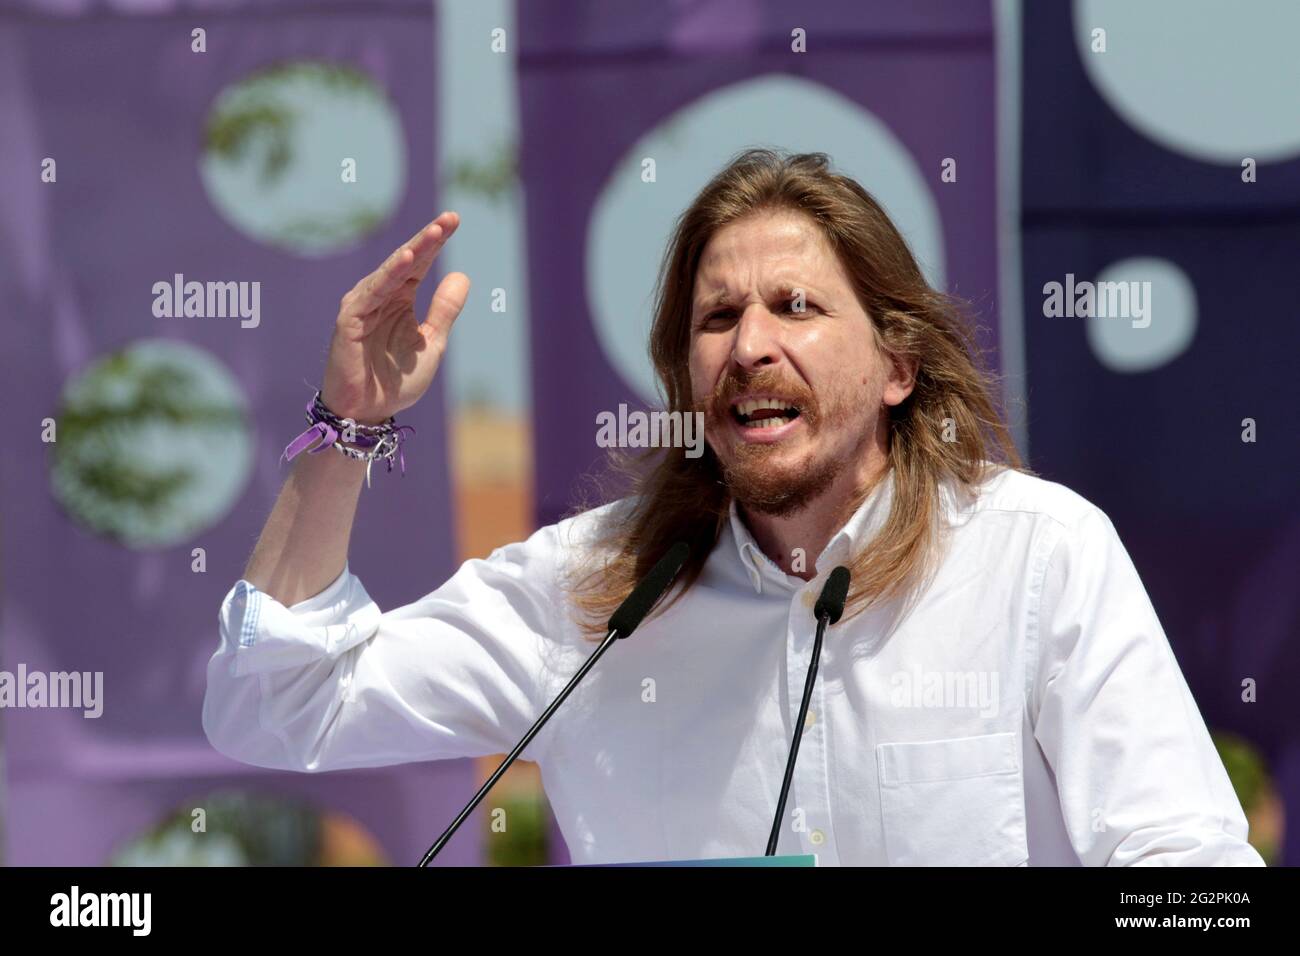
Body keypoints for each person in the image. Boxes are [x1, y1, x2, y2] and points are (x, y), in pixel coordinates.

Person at [203, 149, 1263, 866]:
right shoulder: (587, 594)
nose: (749, 341)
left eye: (795, 306)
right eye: (717, 316)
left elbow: (1189, 866)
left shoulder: (1038, 556)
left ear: (897, 363)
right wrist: (346, 427)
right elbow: (278, 701)